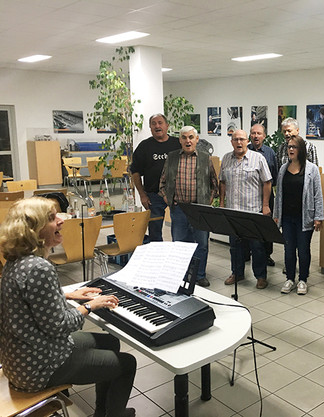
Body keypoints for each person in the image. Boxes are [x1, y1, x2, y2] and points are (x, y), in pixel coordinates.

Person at [0, 198, 136, 417]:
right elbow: (61, 326)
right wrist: (91, 305)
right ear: (34, 229)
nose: (61, 221)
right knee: (127, 364)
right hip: (39, 367)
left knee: (110, 341)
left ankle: (103, 412)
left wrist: (68, 294)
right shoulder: (39, 268)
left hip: (18, 361)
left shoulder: (16, 261)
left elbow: (28, 300)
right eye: (52, 218)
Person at [159, 126, 219, 287]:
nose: (188, 141)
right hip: (179, 210)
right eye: (184, 137)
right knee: (179, 245)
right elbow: (162, 183)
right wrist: (169, 201)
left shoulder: (205, 158)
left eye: (191, 137)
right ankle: (182, 275)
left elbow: (214, 184)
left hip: (199, 210)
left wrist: (207, 203)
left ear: (197, 139)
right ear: (180, 140)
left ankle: (199, 275)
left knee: (202, 244)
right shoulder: (172, 158)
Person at [220, 129, 272, 289]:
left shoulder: (258, 159)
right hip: (232, 212)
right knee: (235, 246)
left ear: (247, 140)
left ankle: (261, 276)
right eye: (235, 139)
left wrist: (265, 205)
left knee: (257, 246)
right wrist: (221, 203)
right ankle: (237, 273)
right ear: (231, 142)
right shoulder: (226, 159)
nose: (239, 142)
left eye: (242, 139)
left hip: (252, 212)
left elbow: (267, 182)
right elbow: (222, 181)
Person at [274, 135, 324, 295]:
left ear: (301, 149)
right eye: (289, 147)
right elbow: (279, 194)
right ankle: (290, 279)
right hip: (287, 218)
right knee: (288, 250)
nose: (290, 149)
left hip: (305, 217)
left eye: (294, 147)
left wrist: (318, 217)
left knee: (303, 250)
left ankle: (303, 279)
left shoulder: (311, 169)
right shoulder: (283, 168)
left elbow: (318, 194)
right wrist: (276, 215)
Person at [130, 113, 180, 241]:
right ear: (150, 128)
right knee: (155, 231)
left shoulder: (178, 144)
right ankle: (157, 258)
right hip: (154, 195)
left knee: (180, 229)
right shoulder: (144, 147)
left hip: (177, 195)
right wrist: (142, 194)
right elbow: (135, 172)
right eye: (154, 124)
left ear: (167, 126)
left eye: (160, 123)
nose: (157, 126)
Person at [248, 123, 279, 266]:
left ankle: (267, 255)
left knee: (267, 226)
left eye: (259, 133)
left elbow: (275, 175)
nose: (256, 136)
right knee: (249, 225)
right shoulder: (244, 150)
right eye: (253, 133)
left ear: (264, 136)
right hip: (249, 195)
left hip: (267, 194)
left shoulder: (270, 153)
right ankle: (247, 253)